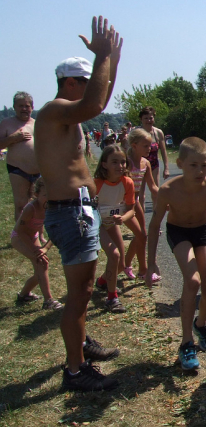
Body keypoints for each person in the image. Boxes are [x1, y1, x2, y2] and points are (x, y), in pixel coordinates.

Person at [34, 16, 122, 392]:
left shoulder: (68, 117)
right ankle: (75, 369)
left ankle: (81, 344)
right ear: (69, 82)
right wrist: (103, 55)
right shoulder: (55, 110)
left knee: (83, 289)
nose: (89, 88)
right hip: (70, 213)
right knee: (81, 292)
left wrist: (111, 61)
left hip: (76, 211)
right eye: (84, 80)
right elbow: (93, 103)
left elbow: (97, 101)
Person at [146, 137, 206, 371]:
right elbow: (154, 226)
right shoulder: (168, 190)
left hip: (202, 232)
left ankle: (201, 324)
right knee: (193, 281)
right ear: (180, 163)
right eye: (193, 165)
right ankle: (186, 342)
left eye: (204, 165)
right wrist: (151, 262)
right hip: (179, 232)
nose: (200, 171)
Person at [94, 145, 136, 313]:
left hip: (111, 222)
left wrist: (122, 218)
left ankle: (103, 281)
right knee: (115, 254)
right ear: (104, 164)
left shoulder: (127, 183)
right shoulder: (96, 184)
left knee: (121, 263)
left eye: (123, 162)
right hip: (96, 223)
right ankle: (112, 298)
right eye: (115, 162)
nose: (120, 166)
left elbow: (131, 209)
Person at [12, 178, 63, 310]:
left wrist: (45, 246)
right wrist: (35, 250)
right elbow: (20, 231)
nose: (49, 199)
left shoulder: (52, 207)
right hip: (20, 237)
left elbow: (56, 230)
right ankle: (48, 300)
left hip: (33, 235)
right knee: (41, 263)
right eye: (46, 195)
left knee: (41, 267)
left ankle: (24, 294)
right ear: (36, 195)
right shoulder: (31, 208)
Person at [123, 128, 159, 282]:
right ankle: (143, 270)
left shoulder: (146, 163)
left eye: (149, 145)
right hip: (124, 203)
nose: (149, 149)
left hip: (135, 202)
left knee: (141, 236)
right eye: (145, 146)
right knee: (141, 235)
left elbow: (153, 187)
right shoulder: (126, 162)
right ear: (134, 145)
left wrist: (168, 199)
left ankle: (127, 265)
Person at [0, 92, 39, 221]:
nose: (24, 109)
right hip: (18, 169)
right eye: (20, 106)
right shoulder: (6, 123)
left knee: (37, 204)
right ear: (14, 107)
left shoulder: (38, 124)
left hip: (38, 170)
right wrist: (13, 138)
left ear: (32, 107)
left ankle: (37, 235)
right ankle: (20, 236)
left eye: (27, 106)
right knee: (21, 204)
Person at [138, 106, 169, 212]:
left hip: (154, 165)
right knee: (141, 196)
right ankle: (142, 223)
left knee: (156, 194)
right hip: (139, 165)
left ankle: (157, 223)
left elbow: (163, 151)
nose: (148, 121)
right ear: (141, 119)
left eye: (150, 118)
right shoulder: (137, 133)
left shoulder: (158, 133)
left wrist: (166, 168)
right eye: (146, 118)